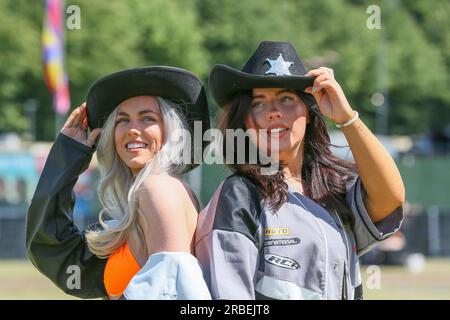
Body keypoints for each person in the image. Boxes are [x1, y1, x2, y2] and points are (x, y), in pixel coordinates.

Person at [195, 41, 405, 300]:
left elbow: (390, 196)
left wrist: (346, 116)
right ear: (245, 120)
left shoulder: (331, 188)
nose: (273, 113)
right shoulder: (238, 196)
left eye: (286, 99)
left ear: (308, 111)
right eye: (259, 103)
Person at [26, 66, 211, 300]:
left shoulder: (158, 189)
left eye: (147, 118)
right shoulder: (144, 198)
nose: (133, 129)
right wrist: (67, 156)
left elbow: (176, 294)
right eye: (123, 120)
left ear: (171, 131)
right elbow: (57, 254)